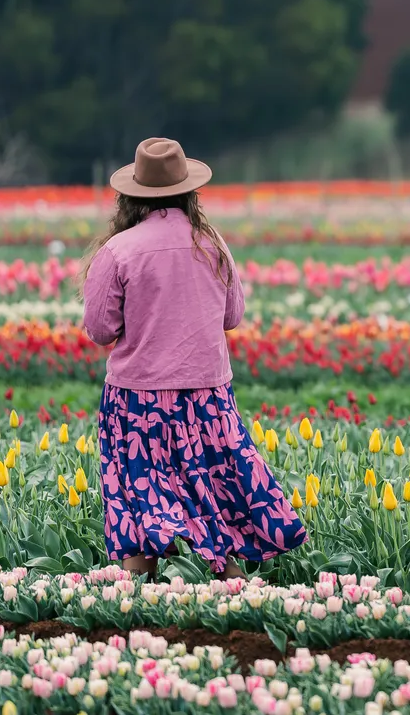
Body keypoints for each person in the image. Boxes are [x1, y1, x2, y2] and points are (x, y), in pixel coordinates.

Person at [80, 137, 306, 581]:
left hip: (137, 400)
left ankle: (138, 599)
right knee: (216, 493)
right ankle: (234, 594)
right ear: (189, 191)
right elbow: (233, 315)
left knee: (138, 497)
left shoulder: (119, 251)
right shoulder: (212, 243)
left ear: (131, 196)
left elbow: (99, 329)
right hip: (208, 396)